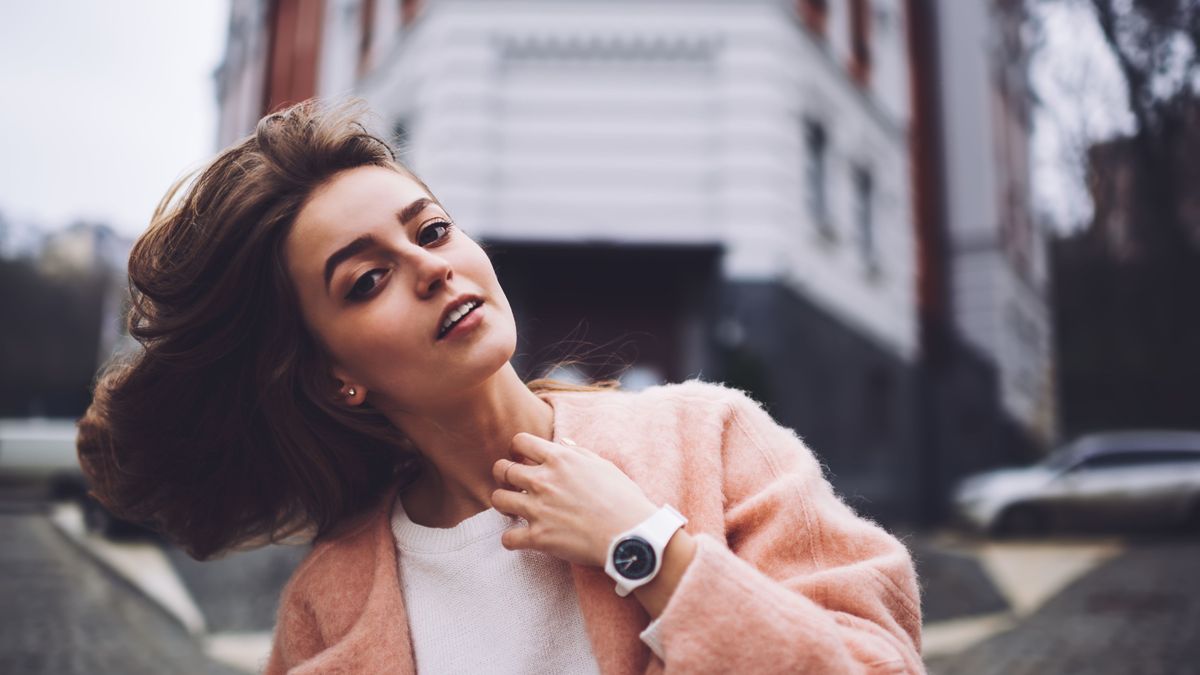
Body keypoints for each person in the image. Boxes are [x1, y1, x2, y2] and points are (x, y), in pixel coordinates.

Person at [77, 99, 924, 674]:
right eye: (365, 280)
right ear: (336, 379)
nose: (431, 269)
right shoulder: (329, 605)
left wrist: (648, 550)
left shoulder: (710, 437)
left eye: (433, 229)